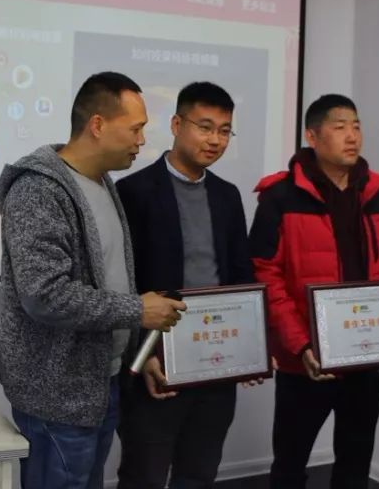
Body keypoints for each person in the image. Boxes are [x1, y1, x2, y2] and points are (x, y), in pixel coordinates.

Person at [0, 71, 187, 489]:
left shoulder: (102, 183)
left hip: (101, 384)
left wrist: (138, 352)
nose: (142, 141)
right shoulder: (38, 190)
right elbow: (44, 295)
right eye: (135, 129)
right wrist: (139, 310)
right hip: (57, 396)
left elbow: (113, 280)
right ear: (97, 124)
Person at [249, 94, 379, 489]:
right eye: (340, 127)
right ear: (313, 136)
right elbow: (266, 276)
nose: (352, 136)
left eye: (356, 126)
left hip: (368, 356)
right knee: (290, 464)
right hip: (308, 360)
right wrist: (300, 344)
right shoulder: (280, 197)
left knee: (355, 464)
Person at [115, 81, 254, 489]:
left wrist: (251, 346)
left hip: (216, 363)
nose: (215, 140)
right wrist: (141, 353)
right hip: (156, 363)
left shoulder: (227, 196)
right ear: (177, 125)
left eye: (224, 131)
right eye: (205, 127)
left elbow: (240, 275)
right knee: (144, 475)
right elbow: (122, 285)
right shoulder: (133, 192)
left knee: (199, 472)